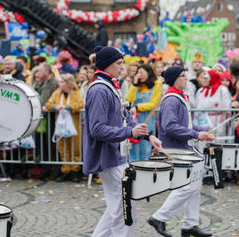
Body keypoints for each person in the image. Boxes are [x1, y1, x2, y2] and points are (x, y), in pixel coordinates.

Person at [83, 46, 162, 237]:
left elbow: (126, 117)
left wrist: (147, 135)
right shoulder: (100, 90)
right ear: (106, 65)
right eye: (118, 63)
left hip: (116, 154)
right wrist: (129, 132)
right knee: (124, 209)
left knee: (119, 208)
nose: (123, 67)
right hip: (107, 156)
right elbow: (97, 129)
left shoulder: (112, 86)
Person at [147, 66, 214, 237]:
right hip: (174, 150)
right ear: (175, 79)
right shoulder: (171, 99)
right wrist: (195, 134)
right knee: (185, 187)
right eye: (183, 76)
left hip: (184, 148)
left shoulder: (179, 97)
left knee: (195, 185)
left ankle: (190, 225)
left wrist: (202, 131)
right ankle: (159, 218)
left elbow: (186, 125)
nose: (186, 79)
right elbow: (169, 127)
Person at [46, 73, 84, 182]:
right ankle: (65, 170)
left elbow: (80, 105)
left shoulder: (76, 93)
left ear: (69, 83)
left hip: (74, 124)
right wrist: (54, 107)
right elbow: (49, 103)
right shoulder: (57, 93)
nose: (59, 84)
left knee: (75, 148)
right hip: (61, 125)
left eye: (62, 82)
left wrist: (68, 107)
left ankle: (75, 170)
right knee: (63, 148)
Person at [126, 64, 162, 161]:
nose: (139, 75)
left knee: (145, 148)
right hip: (134, 120)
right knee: (134, 148)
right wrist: (134, 84)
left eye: (142, 72)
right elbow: (129, 99)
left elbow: (153, 104)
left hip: (147, 120)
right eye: (138, 72)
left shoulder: (157, 84)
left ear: (148, 73)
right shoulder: (137, 85)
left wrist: (137, 107)